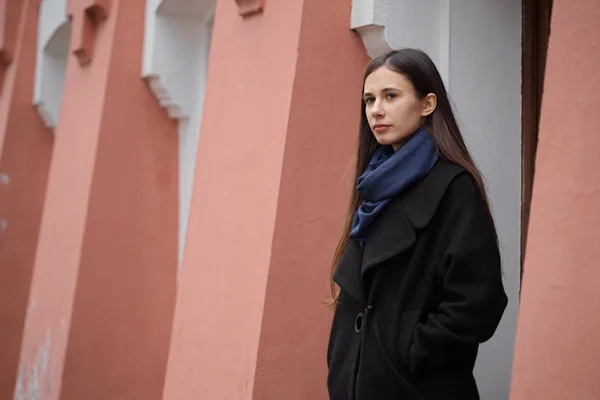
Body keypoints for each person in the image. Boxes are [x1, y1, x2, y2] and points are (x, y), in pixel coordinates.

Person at [326, 48, 508, 400]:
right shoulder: (373, 187)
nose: (375, 110)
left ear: (427, 104)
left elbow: (477, 303)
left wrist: (409, 350)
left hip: (417, 387)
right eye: (369, 99)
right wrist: (343, 355)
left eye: (390, 96)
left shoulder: (453, 187)